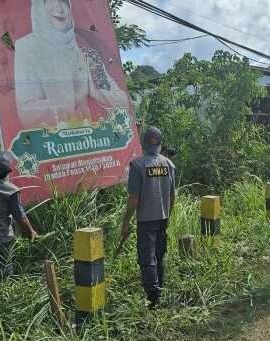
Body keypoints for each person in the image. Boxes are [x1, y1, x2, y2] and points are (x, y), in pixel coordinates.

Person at [14, 0, 130, 128]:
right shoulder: (27, 47)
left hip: (90, 139)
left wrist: (98, 90)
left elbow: (123, 102)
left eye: (63, 2)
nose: (59, 8)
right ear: (39, 7)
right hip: (51, 143)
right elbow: (26, 111)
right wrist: (65, 110)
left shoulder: (86, 54)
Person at [121, 127, 176, 308]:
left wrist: (126, 220)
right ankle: (159, 287)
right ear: (160, 144)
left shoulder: (138, 166)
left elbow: (134, 198)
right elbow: (172, 195)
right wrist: (168, 213)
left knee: (147, 257)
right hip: (163, 217)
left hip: (146, 219)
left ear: (143, 143)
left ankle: (153, 298)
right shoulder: (169, 165)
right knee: (159, 254)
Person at [0, 152, 39, 283]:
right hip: (0, 238)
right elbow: (20, 217)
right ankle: (2, 298)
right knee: (5, 273)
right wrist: (31, 233)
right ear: (8, 172)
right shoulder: (11, 191)